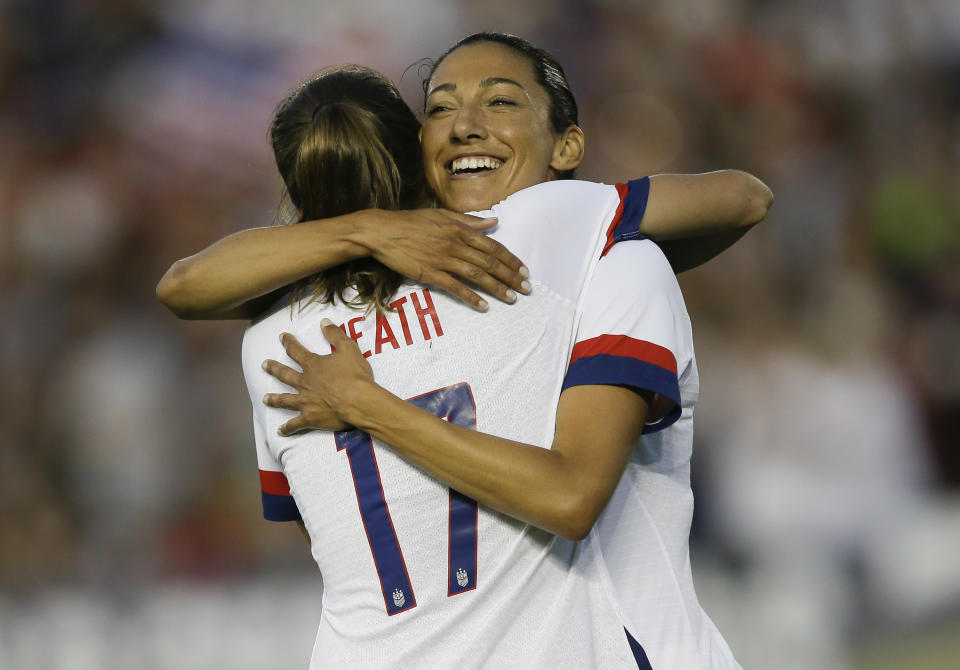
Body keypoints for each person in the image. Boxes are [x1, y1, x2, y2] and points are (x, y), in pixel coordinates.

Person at [159, 33, 770, 669]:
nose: (467, 128)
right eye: (441, 109)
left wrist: (364, 387)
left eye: (501, 102)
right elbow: (747, 197)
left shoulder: (270, 339)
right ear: (412, 148)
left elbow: (181, 287)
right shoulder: (555, 234)